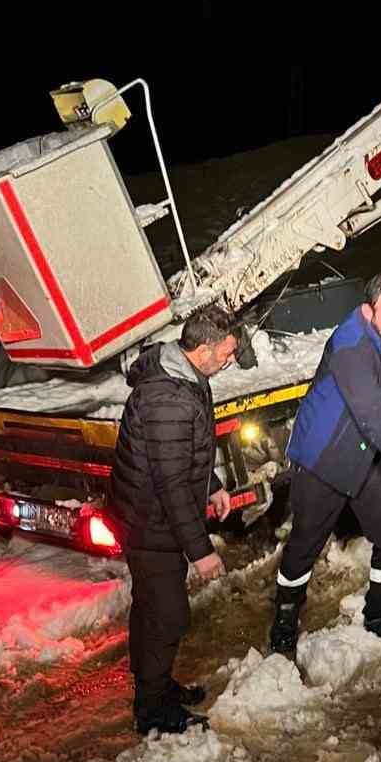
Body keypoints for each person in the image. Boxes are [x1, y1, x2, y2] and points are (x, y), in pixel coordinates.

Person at [270, 271, 381, 661]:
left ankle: (380, 617)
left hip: (370, 454)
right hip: (326, 455)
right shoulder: (351, 346)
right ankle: (283, 622)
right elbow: (375, 420)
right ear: (368, 311)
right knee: (305, 542)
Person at [111, 303, 239, 735]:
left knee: (152, 608)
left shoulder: (187, 377)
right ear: (201, 349)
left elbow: (187, 454)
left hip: (150, 514)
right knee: (167, 615)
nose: (230, 359)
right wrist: (201, 552)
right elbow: (171, 484)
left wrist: (215, 484)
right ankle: (152, 711)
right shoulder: (168, 398)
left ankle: (157, 687)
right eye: (225, 352)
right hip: (149, 521)